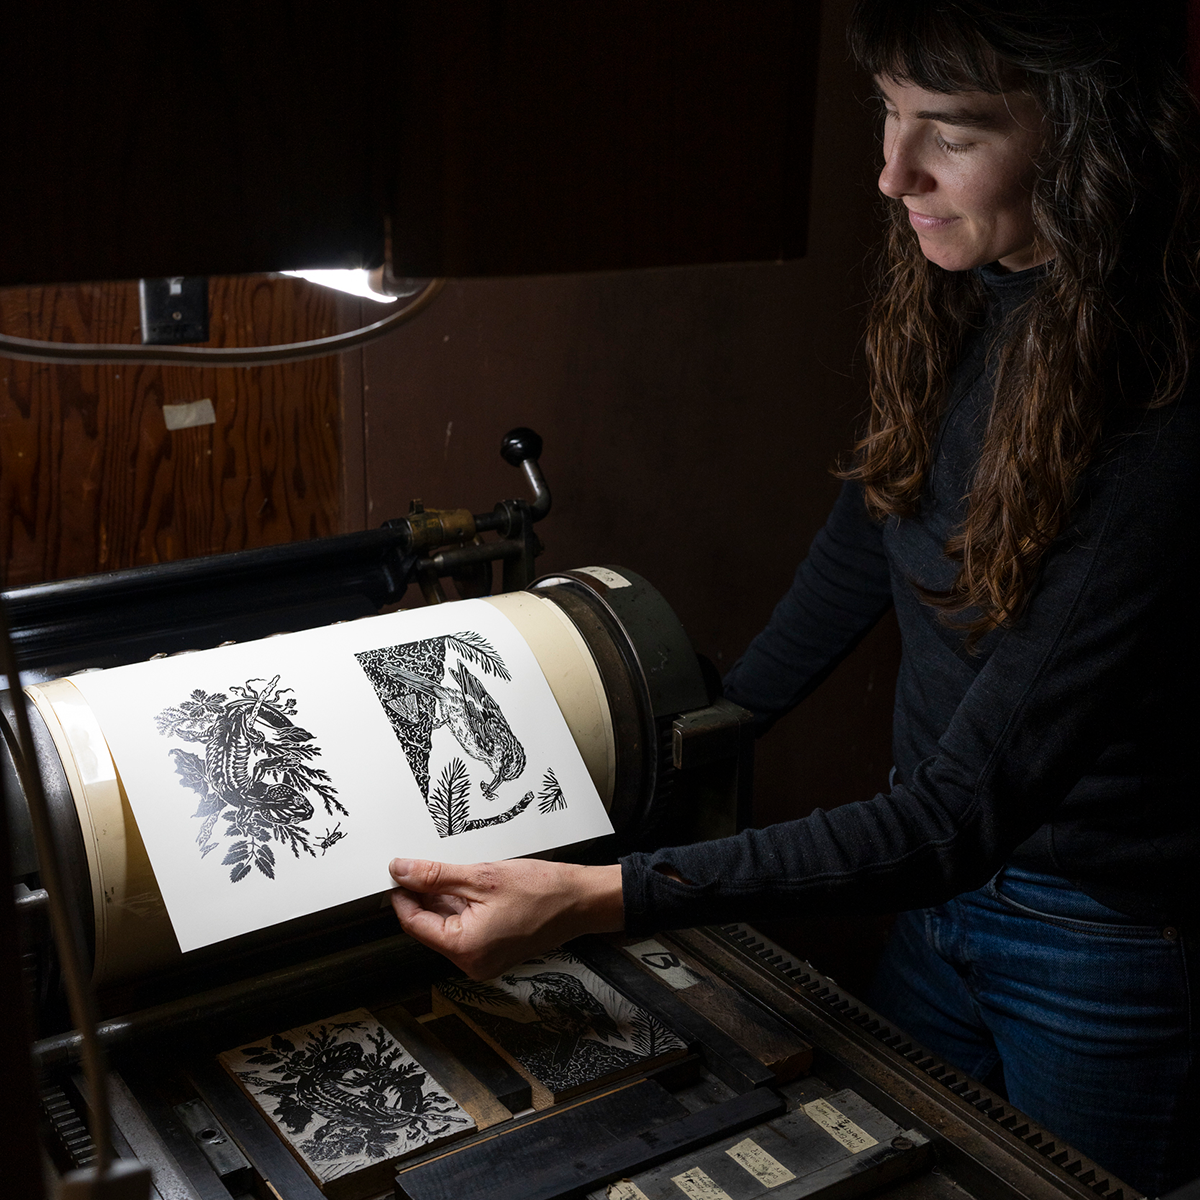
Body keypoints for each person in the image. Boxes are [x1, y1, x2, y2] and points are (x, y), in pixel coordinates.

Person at [387, 1, 1200, 1191]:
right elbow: (877, 518)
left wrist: (606, 896)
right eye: (887, 114)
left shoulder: (1162, 415)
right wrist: (712, 727)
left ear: (1090, 138)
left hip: (1101, 938)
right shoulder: (976, 278)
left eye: (952, 132)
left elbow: (961, 814)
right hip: (936, 894)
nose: (891, 174)